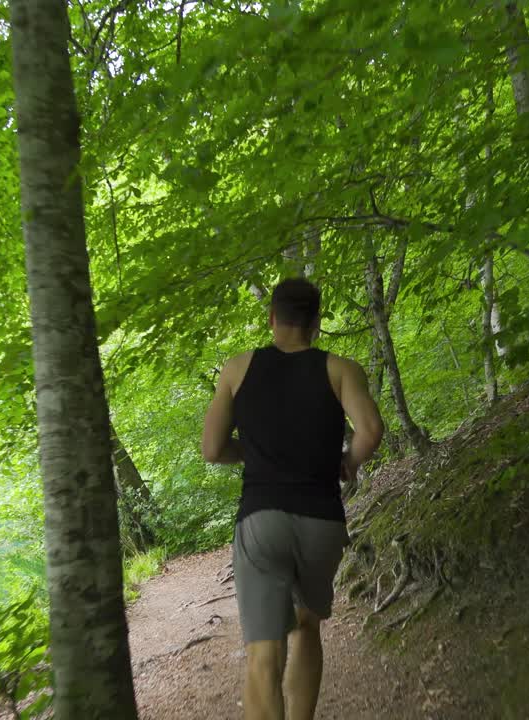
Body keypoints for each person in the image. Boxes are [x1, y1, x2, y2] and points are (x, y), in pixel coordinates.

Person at [202, 277, 385, 720]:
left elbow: (212, 449)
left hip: (262, 520)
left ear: (272, 318)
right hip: (321, 520)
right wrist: (348, 462)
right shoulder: (340, 370)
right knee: (306, 626)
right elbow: (370, 431)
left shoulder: (237, 369)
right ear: (316, 322)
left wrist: (249, 452)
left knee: (264, 654)